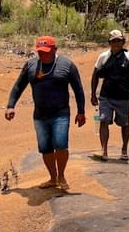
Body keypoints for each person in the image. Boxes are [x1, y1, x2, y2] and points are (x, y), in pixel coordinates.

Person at [5, 36, 86, 191]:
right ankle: (53, 178)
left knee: (61, 144)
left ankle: (61, 176)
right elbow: (18, 86)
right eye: (40, 52)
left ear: (55, 49)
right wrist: (10, 106)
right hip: (40, 115)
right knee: (45, 147)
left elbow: (78, 90)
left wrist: (81, 111)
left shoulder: (67, 65)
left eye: (46, 52)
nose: (43, 55)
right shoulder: (31, 65)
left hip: (61, 113)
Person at [90, 29, 129, 162]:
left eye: (119, 41)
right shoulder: (103, 57)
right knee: (103, 120)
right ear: (109, 43)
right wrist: (93, 94)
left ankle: (124, 150)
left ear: (123, 42)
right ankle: (104, 150)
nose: (116, 43)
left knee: (124, 124)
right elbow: (95, 76)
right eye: (114, 41)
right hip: (106, 96)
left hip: (123, 97)